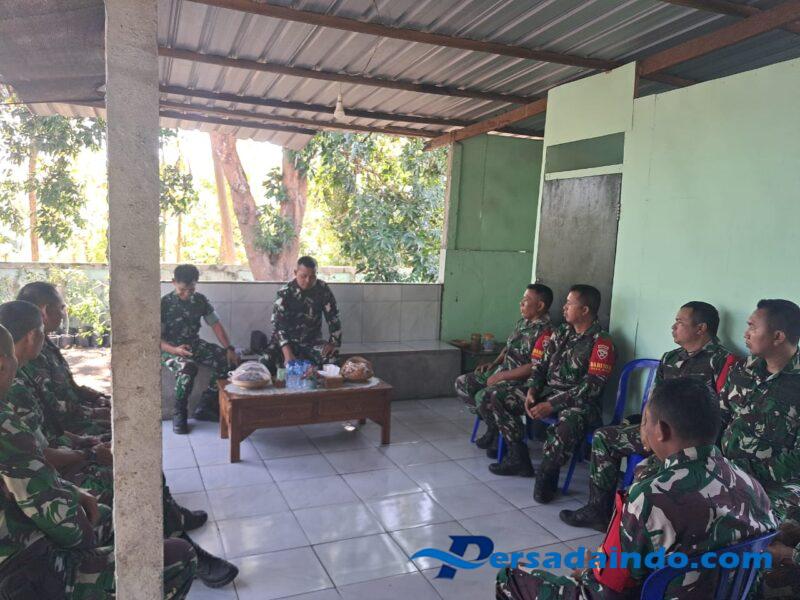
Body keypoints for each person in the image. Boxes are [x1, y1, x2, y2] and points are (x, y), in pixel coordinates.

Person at [0, 300, 239, 590]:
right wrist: (87, 454)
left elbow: (53, 422)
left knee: (134, 456)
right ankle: (172, 543)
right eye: (60, 308)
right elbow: (42, 460)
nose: (64, 312)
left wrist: (92, 425)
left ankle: (171, 519)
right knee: (125, 471)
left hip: (59, 456)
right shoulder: (11, 401)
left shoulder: (36, 362)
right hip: (26, 564)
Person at [496, 377, 777, 600]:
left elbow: (605, 593)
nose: (642, 430)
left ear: (661, 431)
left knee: (509, 578)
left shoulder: (650, 498)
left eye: (644, 421)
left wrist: (591, 572)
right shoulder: (752, 486)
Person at [560, 301, 737, 530]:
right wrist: (645, 428)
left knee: (644, 472)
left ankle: (637, 526)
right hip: (658, 431)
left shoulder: (723, 361)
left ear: (701, 328)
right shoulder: (671, 358)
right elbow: (654, 399)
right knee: (604, 437)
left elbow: (721, 412)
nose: (673, 327)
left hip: (688, 443)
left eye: (680, 322)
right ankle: (598, 510)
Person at [488, 285, 615, 503]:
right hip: (549, 393)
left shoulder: (601, 343)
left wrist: (552, 404)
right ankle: (518, 457)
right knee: (499, 396)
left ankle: (547, 478)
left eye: (569, 304)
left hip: (580, 403)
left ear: (584, 310)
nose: (564, 307)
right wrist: (532, 390)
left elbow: (592, 387)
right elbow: (541, 366)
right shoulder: (562, 332)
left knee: (567, 424)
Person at [718, 299, 800, 522]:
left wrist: (742, 472)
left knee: (753, 521)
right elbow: (719, 415)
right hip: (724, 467)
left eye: (752, 327)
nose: (746, 334)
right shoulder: (742, 369)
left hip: (778, 482)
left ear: (778, 336)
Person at [455, 284, 553, 459]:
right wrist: (493, 364)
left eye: (526, 300)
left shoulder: (546, 332)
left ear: (540, 306)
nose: (521, 303)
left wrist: (501, 376)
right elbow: (508, 348)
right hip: (504, 370)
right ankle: (494, 427)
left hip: (521, 381)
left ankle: (503, 436)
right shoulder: (523, 323)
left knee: (484, 395)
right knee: (463, 383)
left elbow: (534, 366)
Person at [17, 282, 110, 436]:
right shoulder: (28, 352)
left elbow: (68, 388)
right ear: (45, 311)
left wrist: (97, 398)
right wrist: (94, 412)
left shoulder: (45, 343)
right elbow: (48, 406)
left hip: (74, 421)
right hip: (62, 431)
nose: (63, 314)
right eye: (61, 308)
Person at [161, 264, 238, 434]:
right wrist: (174, 350)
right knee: (188, 368)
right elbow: (155, 338)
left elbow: (215, 325)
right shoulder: (164, 303)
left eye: (191, 289)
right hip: (170, 348)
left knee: (225, 359)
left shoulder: (200, 300)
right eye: (182, 290)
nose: (187, 294)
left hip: (193, 344)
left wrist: (229, 348)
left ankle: (205, 406)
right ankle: (179, 412)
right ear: (173, 282)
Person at [261, 256, 342, 371]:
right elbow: (278, 326)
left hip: (312, 342)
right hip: (286, 343)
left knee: (333, 360)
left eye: (312, 277)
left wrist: (333, 343)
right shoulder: (285, 292)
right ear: (295, 273)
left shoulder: (322, 289)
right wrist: (287, 353)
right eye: (304, 276)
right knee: (265, 361)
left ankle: (319, 380)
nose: (308, 281)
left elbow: (333, 317)